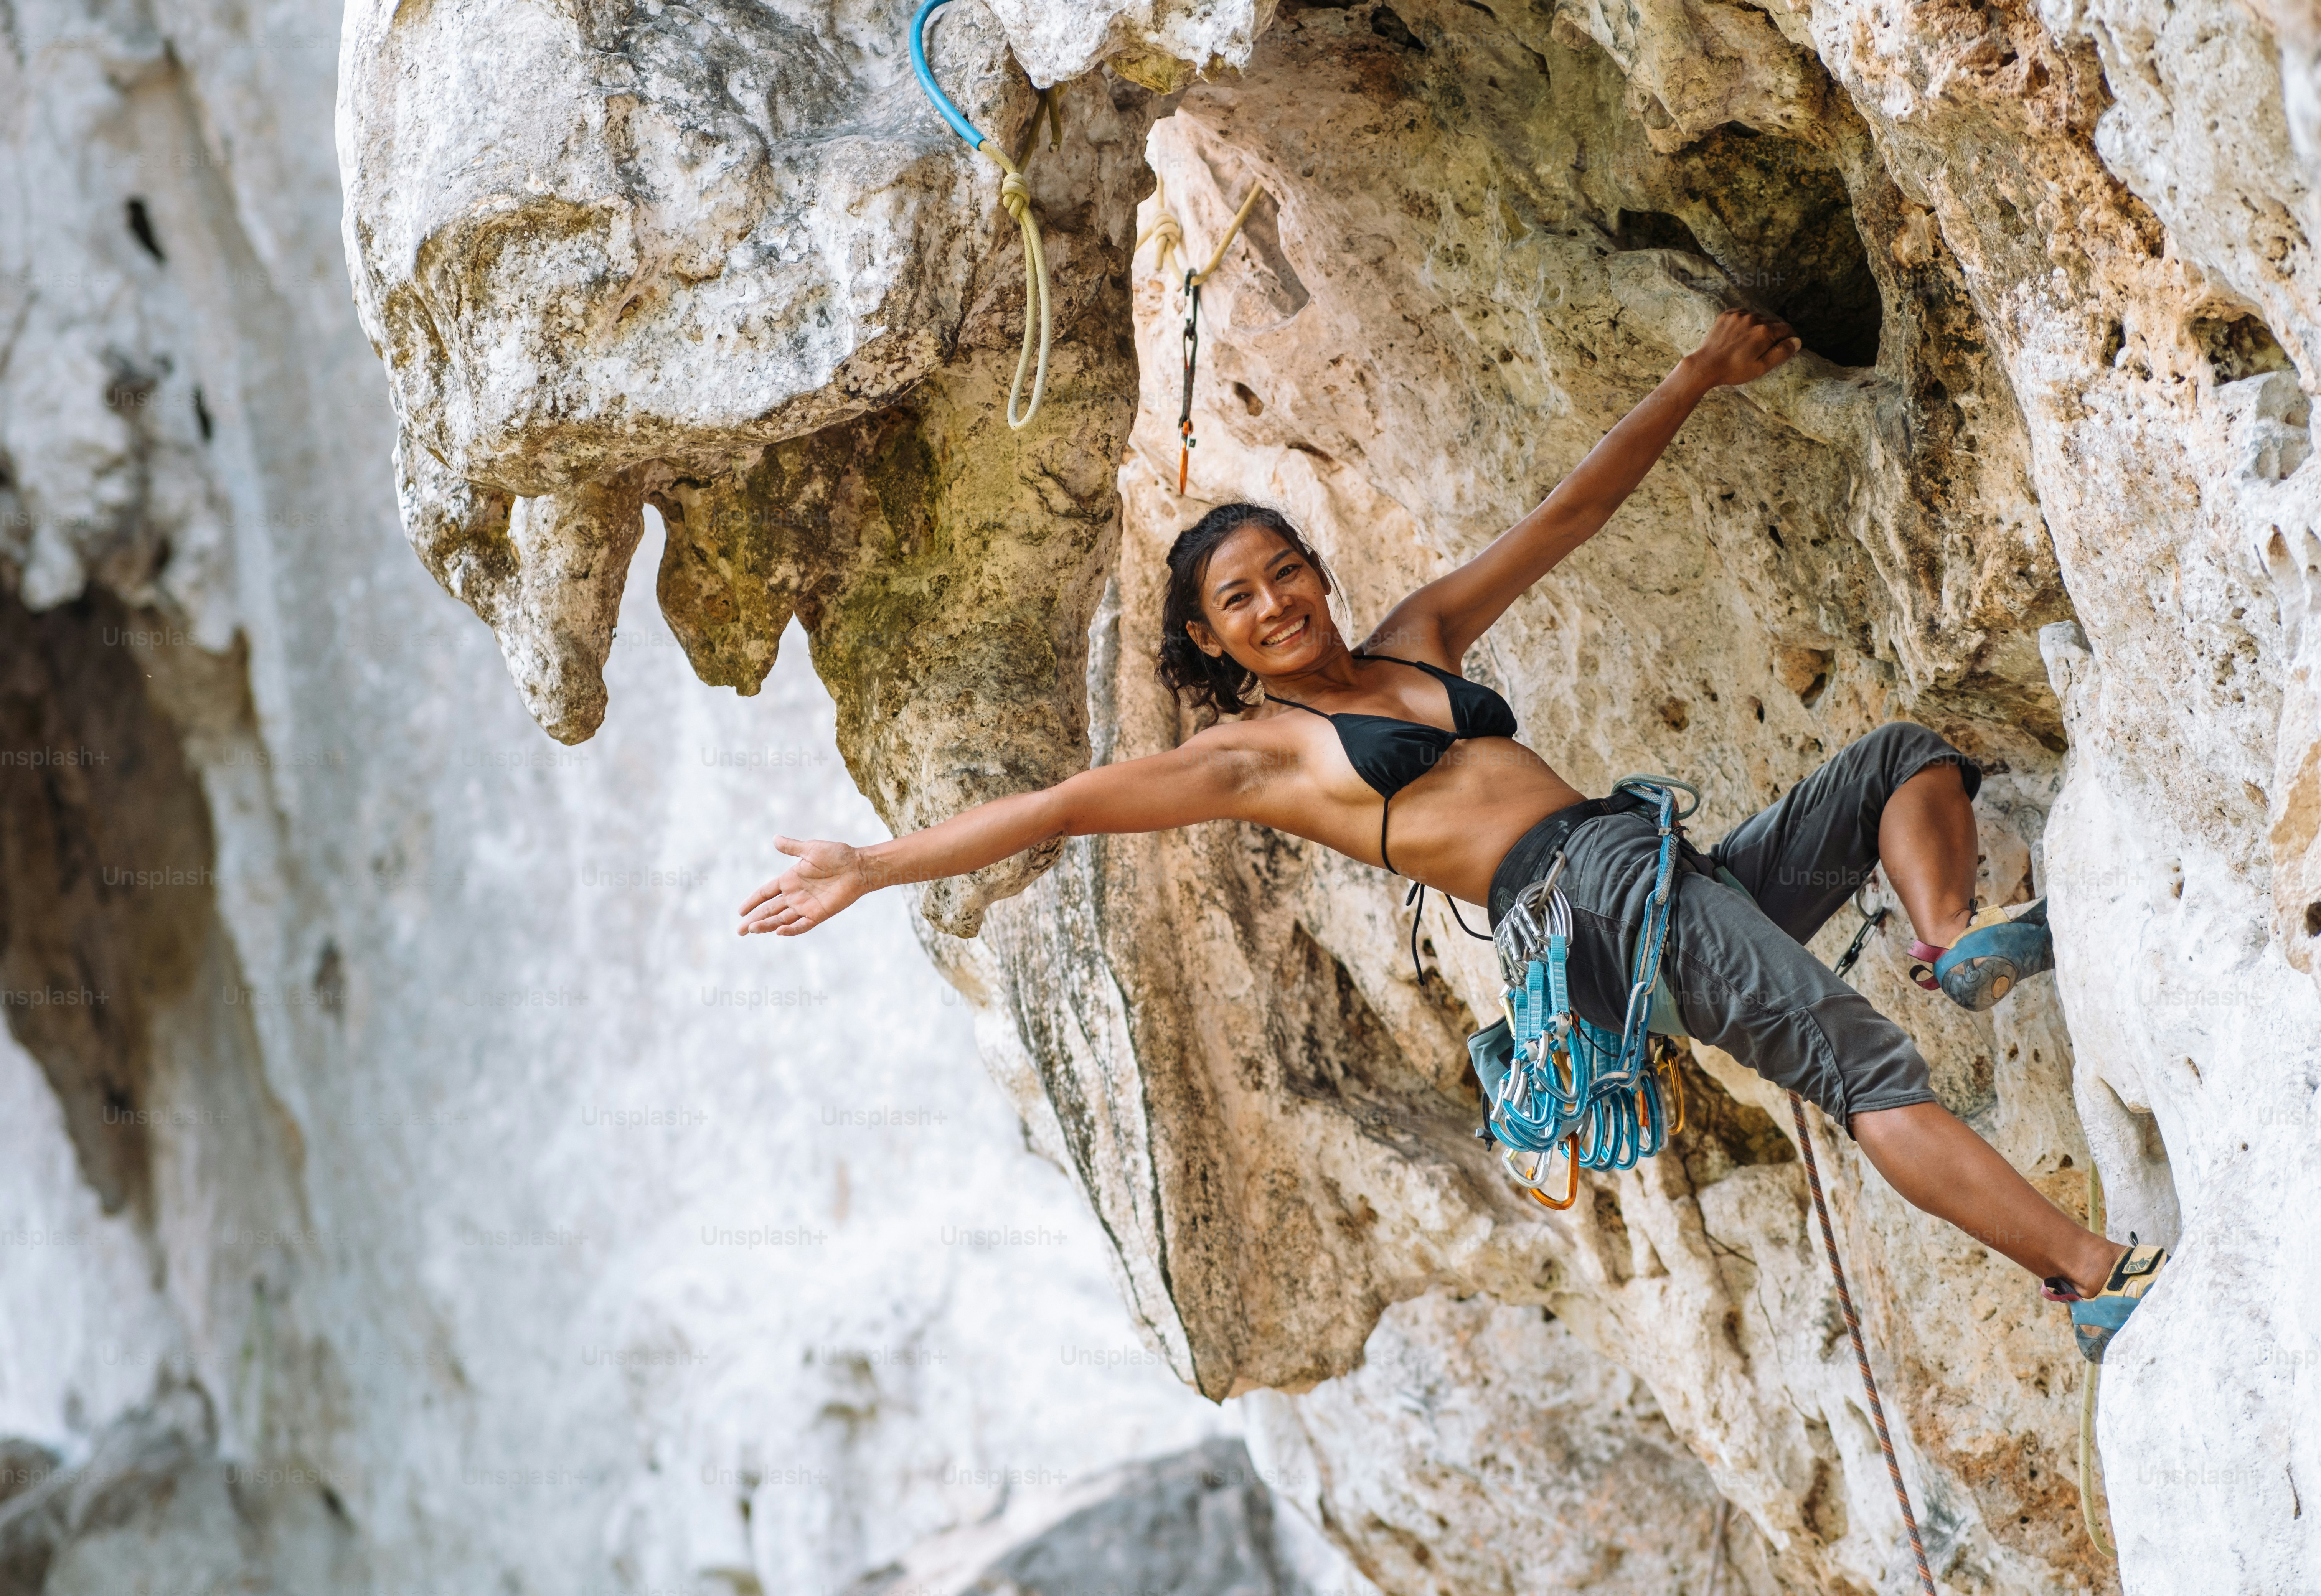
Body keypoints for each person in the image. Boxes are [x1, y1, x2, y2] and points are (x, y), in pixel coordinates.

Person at [737, 308, 2165, 1361]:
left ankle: (1952, 939)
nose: (1279, 601)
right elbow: (1057, 808)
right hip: (1586, 900)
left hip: (1649, 868)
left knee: (1905, 764)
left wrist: (1692, 377)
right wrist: (871, 864)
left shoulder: (1414, 641)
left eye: (1286, 570)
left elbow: (1571, 516)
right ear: (1207, 637)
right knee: (1862, 1073)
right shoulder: (1253, 756)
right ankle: (2091, 1273)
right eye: (1241, 599)